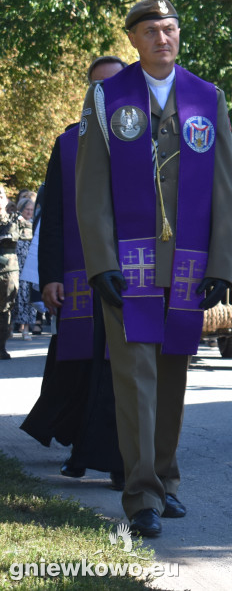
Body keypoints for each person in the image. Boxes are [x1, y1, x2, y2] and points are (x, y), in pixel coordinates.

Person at [76, 0, 232, 538]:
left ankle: (167, 479)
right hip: (129, 261)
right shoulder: (106, 98)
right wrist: (100, 262)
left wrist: (220, 263)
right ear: (134, 40)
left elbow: (225, 187)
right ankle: (140, 492)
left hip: (188, 262)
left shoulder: (207, 98)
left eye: (169, 28)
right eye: (150, 30)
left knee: (172, 375)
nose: (162, 38)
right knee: (135, 378)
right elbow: (90, 189)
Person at [21, 56, 128, 489]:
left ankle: (125, 462)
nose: (105, 93)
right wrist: (49, 277)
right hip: (80, 277)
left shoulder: (148, 137)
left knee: (121, 371)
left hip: (130, 274)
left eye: (115, 85)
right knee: (82, 367)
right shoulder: (67, 144)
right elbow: (52, 221)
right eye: (97, 87)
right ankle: (81, 450)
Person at [13, 193, 39, 339]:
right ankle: (10, 327)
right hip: (17, 265)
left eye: (31, 209)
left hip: (30, 265)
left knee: (29, 296)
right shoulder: (14, 222)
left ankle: (26, 328)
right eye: (27, 209)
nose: (29, 212)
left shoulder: (35, 223)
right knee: (16, 297)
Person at [0, 183, 19, 359]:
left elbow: (14, 237)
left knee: (5, 310)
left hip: (6, 271)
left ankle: (1, 346)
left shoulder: (13, 218)